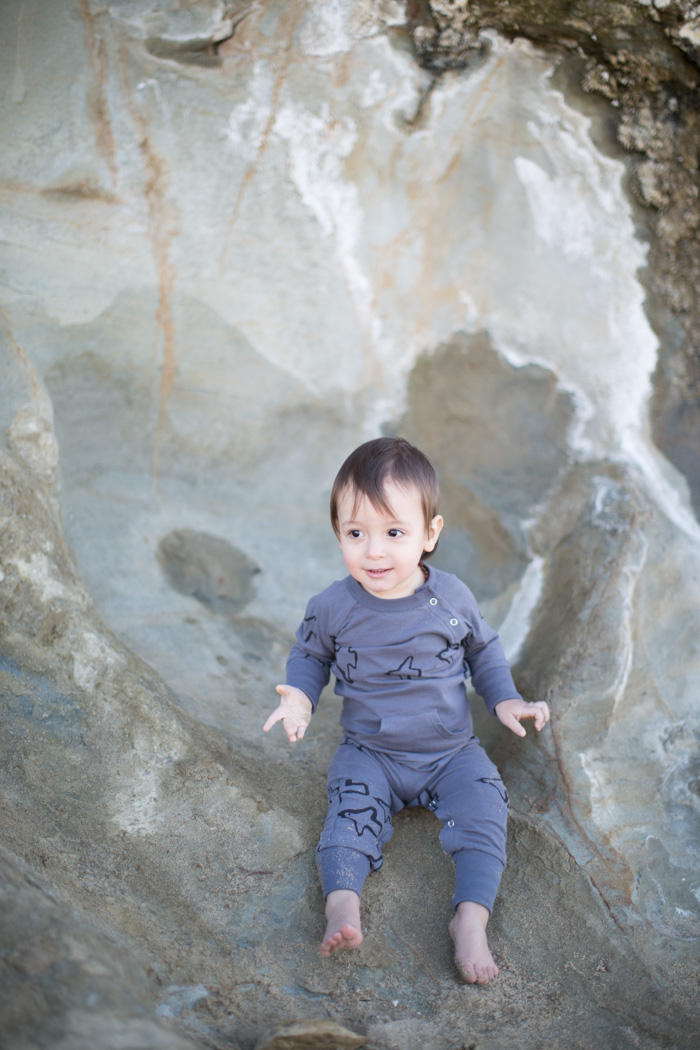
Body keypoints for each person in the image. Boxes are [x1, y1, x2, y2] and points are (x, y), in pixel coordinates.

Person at [263, 437, 549, 984]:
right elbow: (309, 654)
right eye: (355, 533)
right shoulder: (333, 606)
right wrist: (299, 696)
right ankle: (342, 904)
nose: (374, 552)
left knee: (487, 810)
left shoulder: (451, 599)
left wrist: (505, 697)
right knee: (347, 817)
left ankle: (471, 917)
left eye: (394, 533)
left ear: (429, 534)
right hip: (370, 754)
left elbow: (483, 650)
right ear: (337, 534)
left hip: (450, 754)